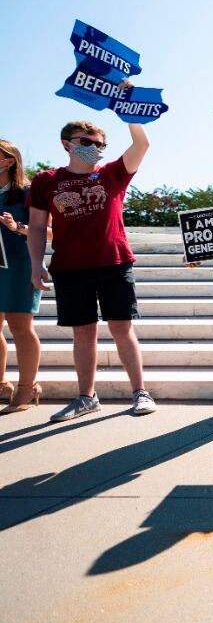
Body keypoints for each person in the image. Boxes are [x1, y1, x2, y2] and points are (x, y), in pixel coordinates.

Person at [28, 118, 156, 420]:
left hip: (114, 261)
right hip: (70, 267)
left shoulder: (113, 173)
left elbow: (142, 145)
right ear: (67, 144)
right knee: (82, 333)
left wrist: (130, 114)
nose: (94, 148)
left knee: (121, 328)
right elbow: (36, 226)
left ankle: (140, 392)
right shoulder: (46, 180)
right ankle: (86, 397)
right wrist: (36, 263)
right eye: (86, 142)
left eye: (99, 144)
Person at [0, 140, 43, 413]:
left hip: (19, 265)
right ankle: (1, 383)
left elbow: (49, 232)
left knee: (20, 327)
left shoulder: (28, 192)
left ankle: (28, 388)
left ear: (8, 161)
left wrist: (18, 227)